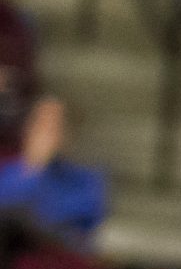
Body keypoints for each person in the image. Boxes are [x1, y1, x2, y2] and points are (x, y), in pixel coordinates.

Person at [0, 96, 111, 254]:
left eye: (55, 126)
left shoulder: (89, 178)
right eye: (41, 124)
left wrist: (38, 168)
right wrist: (34, 168)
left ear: (69, 133)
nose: (46, 134)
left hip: (63, 260)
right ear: (27, 129)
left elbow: (61, 222)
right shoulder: (8, 171)